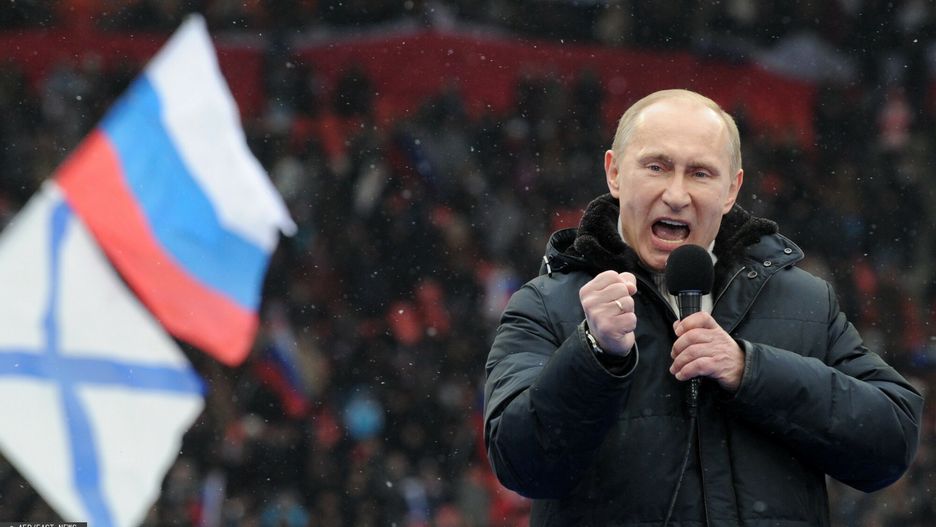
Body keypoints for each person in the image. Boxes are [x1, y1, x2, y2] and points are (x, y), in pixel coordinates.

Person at [483, 89, 923, 526]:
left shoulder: (805, 300)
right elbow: (520, 465)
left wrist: (751, 370)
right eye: (656, 167)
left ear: (732, 190)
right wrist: (592, 353)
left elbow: (890, 441)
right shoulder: (545, 304)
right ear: (614, 173)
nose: (676, 194)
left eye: (700, 173)